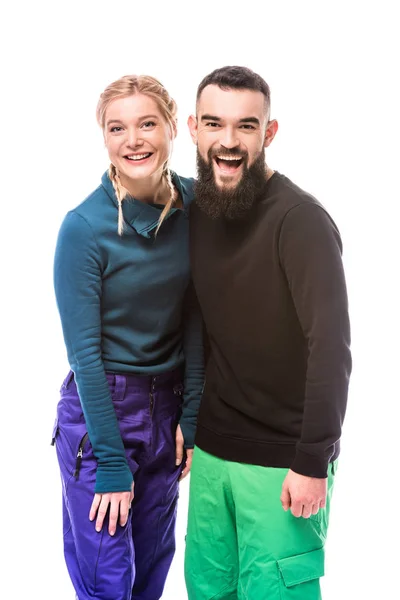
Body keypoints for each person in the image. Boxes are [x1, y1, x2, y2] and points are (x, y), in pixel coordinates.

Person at [184, 66, 352, 600]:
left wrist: (312, 460)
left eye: (245, 126)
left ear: (269, 132)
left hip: (283, 463)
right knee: (209, 591)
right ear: (193, 129)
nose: (228, 141)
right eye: (214, 124)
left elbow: (331, 349)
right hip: (211, 457)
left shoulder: (300, 220)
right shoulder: (199, 209)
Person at [52, 74, 204, 600]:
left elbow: (197, 315)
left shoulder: (195, 208)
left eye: (146, 124)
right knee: (107, 581)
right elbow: (85, 355)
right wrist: (112, 459)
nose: (132, 139)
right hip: (102, 413)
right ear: (104, 138)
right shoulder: (84, 228)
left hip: (168, 411)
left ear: (171, 129)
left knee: (148, 578)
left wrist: (190, 413)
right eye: (117, 128)